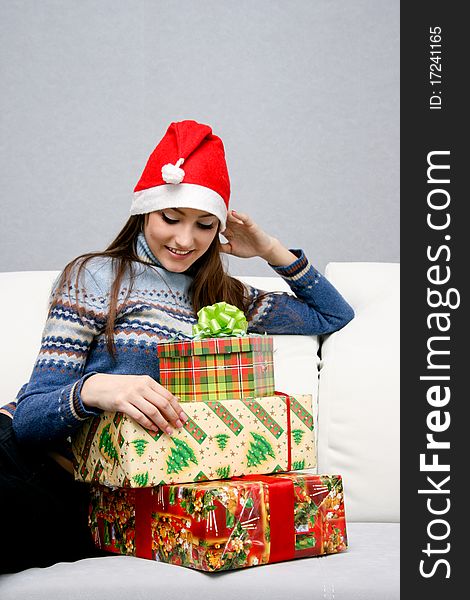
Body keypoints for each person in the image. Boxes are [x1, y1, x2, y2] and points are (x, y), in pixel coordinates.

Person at [0, 119, 354, 573]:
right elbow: (29, 418)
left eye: (205, 225)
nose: (185, 240)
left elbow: (332, 315)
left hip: (106, 497)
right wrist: (96, 389)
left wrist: (270, 249)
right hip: (24, 454)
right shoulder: (94, 276)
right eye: (170, 218)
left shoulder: (226, 297)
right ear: (144, 212)